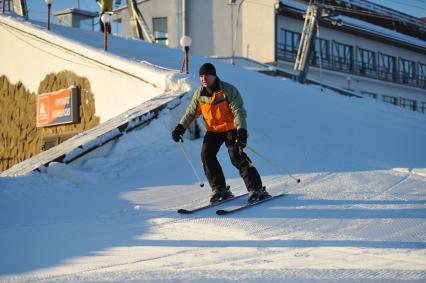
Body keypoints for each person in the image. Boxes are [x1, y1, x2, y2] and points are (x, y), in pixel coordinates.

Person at [172, 63, 270, 204]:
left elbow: (239, 111)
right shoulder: (200, 94)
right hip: (213, 131)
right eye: (201, 76)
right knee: (206, 156)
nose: (203, 78)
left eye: (206, 75)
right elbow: (191, 113)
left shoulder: (228, 90)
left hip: (231, 128)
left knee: (236, 156)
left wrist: (241, 131)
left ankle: (257, 189)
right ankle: (220, 190)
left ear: (214, 76)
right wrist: (180, 128)